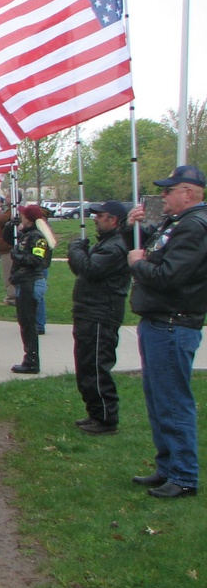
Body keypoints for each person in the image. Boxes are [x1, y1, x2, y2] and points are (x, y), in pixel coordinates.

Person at [127, 166, 207, 499]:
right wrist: (137, 229)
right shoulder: (178, 224)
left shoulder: (194, 227)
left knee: (173, 401)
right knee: (160, 400)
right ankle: (167, 467)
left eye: (168, 191)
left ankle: (184, 475)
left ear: (188, 193)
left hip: (174, 323)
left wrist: (137, 264)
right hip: (160, 322)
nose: (162, 196)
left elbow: (170, 274)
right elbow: (159, 253)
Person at [66, 200, 131, 435]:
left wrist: (75, 249)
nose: (95, 219)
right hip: (89, 310)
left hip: (101, 313)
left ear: (113, 219)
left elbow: (91, 269)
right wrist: (80, 253)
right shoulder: (105, 243)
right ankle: (96, 413)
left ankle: (106, 418)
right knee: (85, 364)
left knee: (95, 365)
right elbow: (83, 269)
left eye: (100, 215)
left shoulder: (115, 246)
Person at [9, 204, 53, 374]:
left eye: (23, 216)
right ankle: (29, 358)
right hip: (23, 282)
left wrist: (17, 256)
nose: (21, 218)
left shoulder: (38, 237)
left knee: (29, 324)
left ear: (29, 218)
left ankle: (32, 361)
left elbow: (36, 259)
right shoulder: (27, 235)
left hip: (31, 282)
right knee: (24, 323)